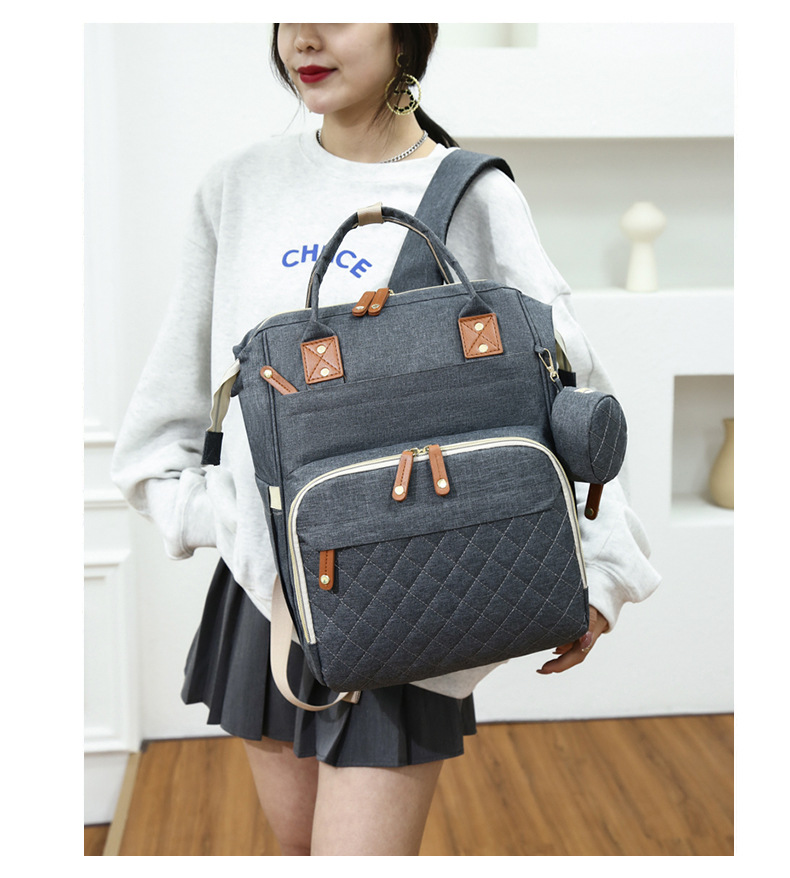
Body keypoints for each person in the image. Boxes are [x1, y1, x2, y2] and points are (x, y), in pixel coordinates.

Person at [111, 23, 661, 856]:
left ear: (407, 29)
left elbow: (573, 387)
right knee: (297, 851)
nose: (305, 35)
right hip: (269, 588)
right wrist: (215, 514)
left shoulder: (471, 192)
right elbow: (172, 403)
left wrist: (605, 567)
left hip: (417, 587)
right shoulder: (237, 187)